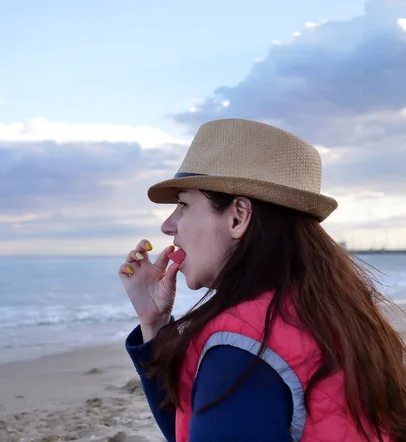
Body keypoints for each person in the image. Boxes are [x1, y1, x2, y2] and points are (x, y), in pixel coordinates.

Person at [118, 118, 406, 441]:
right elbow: (201, 428)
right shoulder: (333, 310)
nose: (168, 226)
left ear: (238, 217)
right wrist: (154, 324)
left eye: (184, 205)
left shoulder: (242, 351)